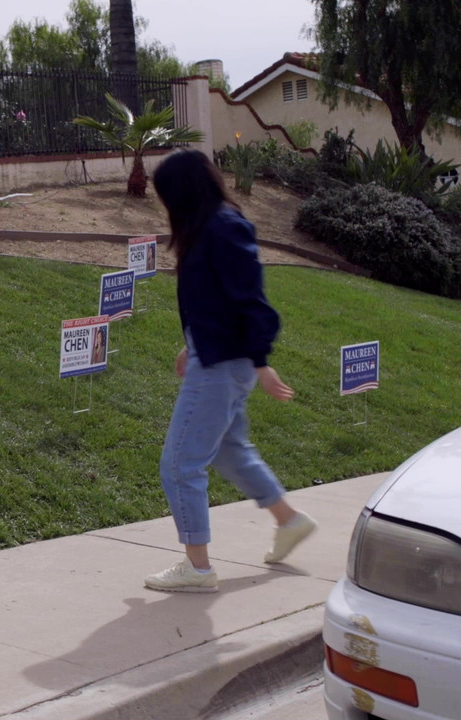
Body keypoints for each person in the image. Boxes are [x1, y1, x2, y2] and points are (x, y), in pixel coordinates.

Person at [144, 150, 315, 594]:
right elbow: (215, 300)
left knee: (180, 464)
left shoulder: (223, 227)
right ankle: (288, 520)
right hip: (216, 355)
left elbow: (251, 302)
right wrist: (192, 344)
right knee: (229, 451)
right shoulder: (208, 226)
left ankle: (198, 569)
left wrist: (261, 362)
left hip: (222, 366)